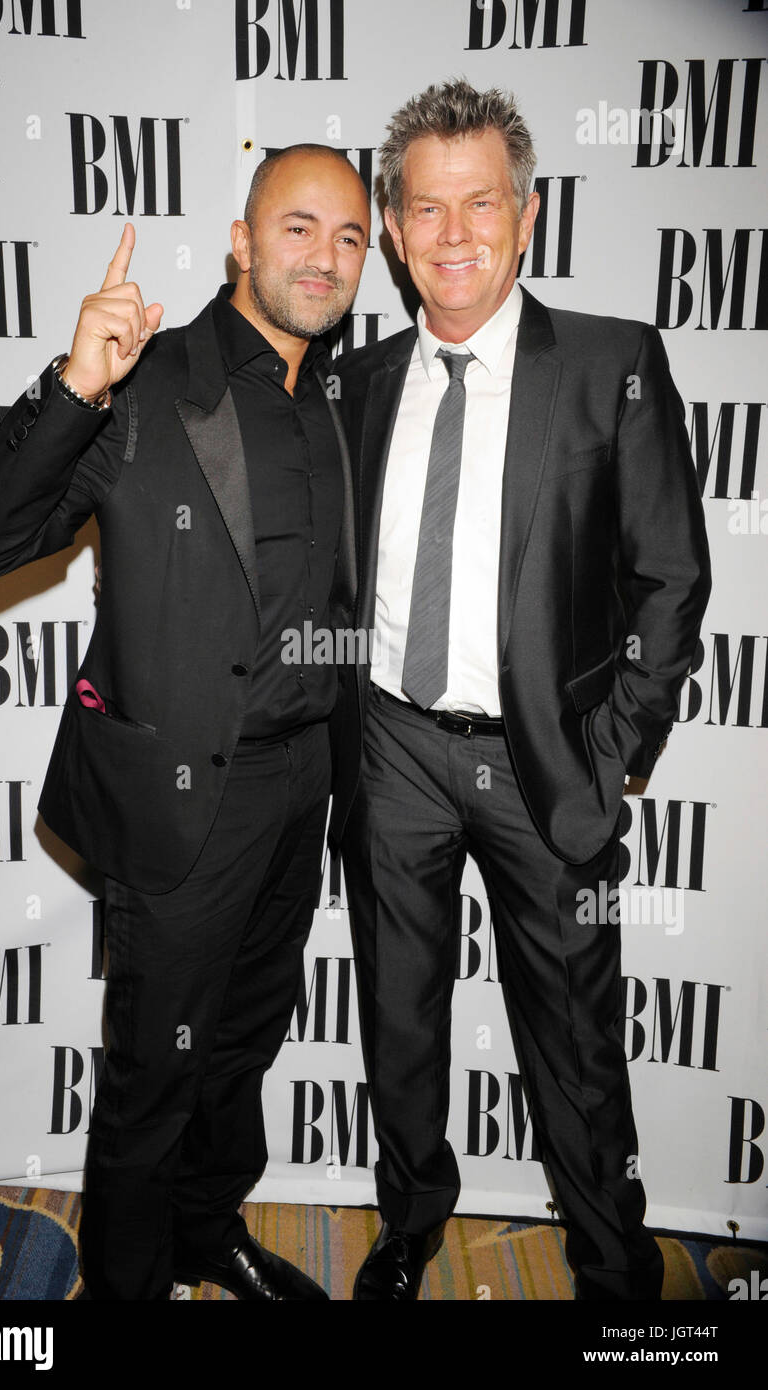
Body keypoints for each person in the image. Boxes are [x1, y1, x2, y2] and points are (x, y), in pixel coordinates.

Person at [0, 143, 370, 1301]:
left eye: (346, 237)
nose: (322, 257)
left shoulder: (342, 395)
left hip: (299, 789)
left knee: (239, 1045)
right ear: (240, 241)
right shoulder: (143, 379)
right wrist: (74, 382)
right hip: (182, 799)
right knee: (152, 1072)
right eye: (296, 228)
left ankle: (202, 1232)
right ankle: (127, 1285)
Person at [331, 82, 711, 1301]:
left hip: (545, 761)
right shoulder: (359, 382)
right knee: (397, 1018)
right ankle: (407, 1226)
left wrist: (616, 753)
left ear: (527, 214)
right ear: (392, 227)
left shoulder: (611, 362)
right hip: (388, 745)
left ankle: (613, 1269)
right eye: (426, 209)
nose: (452, 235)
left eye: (479, 203)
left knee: (577, 1043)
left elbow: (668, 578)